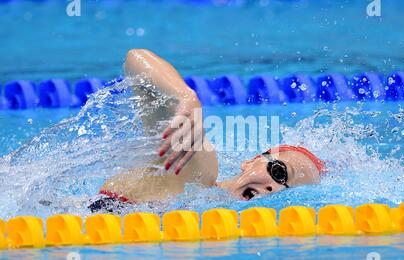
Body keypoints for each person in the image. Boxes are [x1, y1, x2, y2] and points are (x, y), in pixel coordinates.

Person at [89, 49, 324, 212]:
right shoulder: (198, 173)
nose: (276, 188)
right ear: (250, 162)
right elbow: (136, 59)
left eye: (288, 192)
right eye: (280, 172)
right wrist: (185, 95)